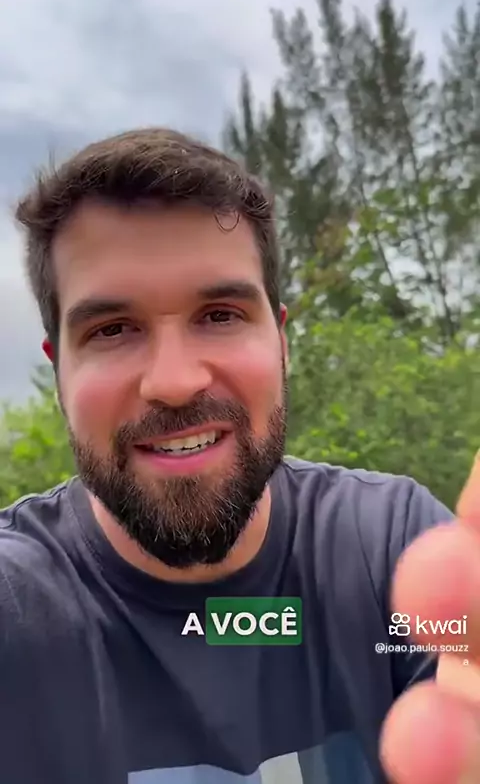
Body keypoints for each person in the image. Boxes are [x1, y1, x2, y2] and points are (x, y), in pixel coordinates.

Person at [0, 126, 465, 784]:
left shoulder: (391, 551)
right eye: (113, 329)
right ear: (59, 375)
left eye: (219, 315)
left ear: (282, 343)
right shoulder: (17, 605)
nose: (174, 381)